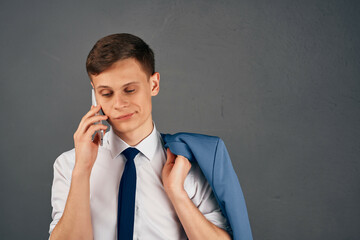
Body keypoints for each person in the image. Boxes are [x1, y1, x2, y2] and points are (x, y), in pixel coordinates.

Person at [49, 33, 234, 240]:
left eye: (129, 90)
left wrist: (176, 192)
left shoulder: (190, 163)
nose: (119, 104)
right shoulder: (69, 165)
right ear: (94, 93)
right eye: (107, 93)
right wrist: (82, 170)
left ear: (153, 84)